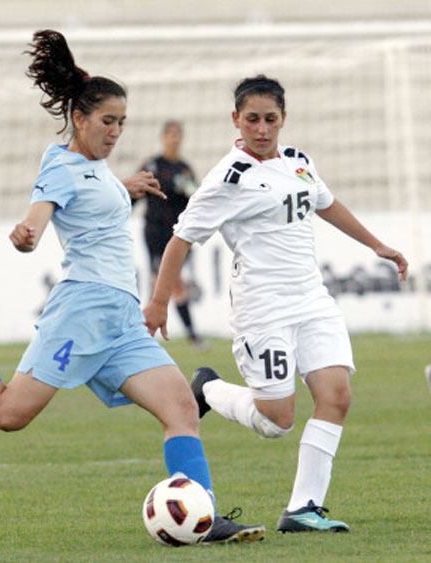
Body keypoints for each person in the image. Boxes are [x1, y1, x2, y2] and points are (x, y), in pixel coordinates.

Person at [0, 30, 265, 545]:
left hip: (122, 318)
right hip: (82, 311)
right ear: (79, 118)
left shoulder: (97, 169)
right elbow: (41, 212)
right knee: (7, 413)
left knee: (181, 408)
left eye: (122, 122)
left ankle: (203, 517)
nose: (116, 131)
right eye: (107, 121)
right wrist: (27, 234)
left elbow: (94, 193)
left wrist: (124, 186)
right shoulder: (59, 166)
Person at [144, 74, 409, 534]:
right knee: (277, 423)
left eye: (270, 119)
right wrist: (159, 303)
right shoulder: (228, 178)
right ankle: (209, 389)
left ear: (284, 118)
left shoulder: (298, 161)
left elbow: (326, 203)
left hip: (312, 299)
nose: (262, 129)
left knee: (336, 396)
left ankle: (303, 508)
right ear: (236, 119)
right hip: (262, 309)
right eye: (252, 119)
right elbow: (180, 239)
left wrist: (376, 245)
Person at [138, 121, 204, 347]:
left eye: (177, 135)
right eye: (170, 134)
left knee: (166, 283)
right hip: (155, 233)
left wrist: (190, 190)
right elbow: (135, 192)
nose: (174, 139)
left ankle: (143, 333)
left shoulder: (185, 169)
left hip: (177, 236)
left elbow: (197, 199)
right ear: (163, 138)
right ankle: (191, 336)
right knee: (167, 282)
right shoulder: (152, 165)